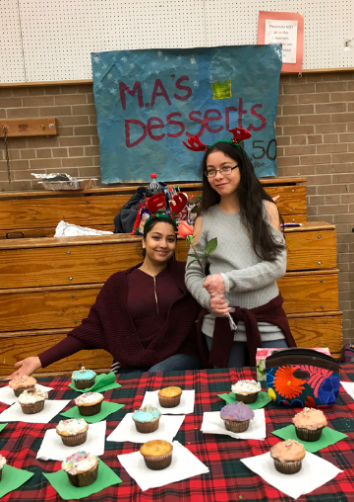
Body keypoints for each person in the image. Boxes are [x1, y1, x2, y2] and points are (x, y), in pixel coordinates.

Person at [8, 215, 203, 380]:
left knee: (155, 375)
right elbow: (89, 330)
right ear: (143, 241)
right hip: (133, 359)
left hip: (181, 355)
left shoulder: (186, 275)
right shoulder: (119, 283)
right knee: (132, 388)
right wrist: (40, 360)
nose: (164, 244)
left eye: (170, 239)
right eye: (156, 237)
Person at [183, 128, 296, 369]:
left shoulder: (266, 210)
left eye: (226, 167)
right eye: (211, 171)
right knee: (228, 395)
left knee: (280, 388)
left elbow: (277, 265)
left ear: (241, 167)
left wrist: (227, 280)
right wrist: (207, 300)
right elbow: (192, 272)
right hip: (221, 324)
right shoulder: (204, 219)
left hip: (266, 320)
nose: (218, 176)